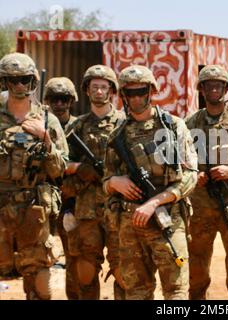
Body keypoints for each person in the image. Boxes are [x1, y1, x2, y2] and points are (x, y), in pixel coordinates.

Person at [103, 65, 197, 299]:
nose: (135, 98)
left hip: (168, 220)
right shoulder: (118, 135)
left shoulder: (174, 127)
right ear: (123, 95)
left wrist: (154, 202)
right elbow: (105, 180)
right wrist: (115, 182)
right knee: (136, 291)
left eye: (141, 91)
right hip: (131, 223)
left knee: (176, 291)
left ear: (151, 91)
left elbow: (190, 176)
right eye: (130, 93)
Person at [0, 52, 68, 299]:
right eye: (13, 80)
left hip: (33, 209)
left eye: (25, 80)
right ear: (4, 81)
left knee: (40, 282)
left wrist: (45, 138)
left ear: (33, 82)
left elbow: (60, 168)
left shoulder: (47, 119)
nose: (20, 86)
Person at [186, 65, 228, 300]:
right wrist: (195, 175)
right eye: (208, 85)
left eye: (218, 85)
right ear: (202, 90)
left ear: (226, 89)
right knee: (196, 267)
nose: (214, 89)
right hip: (200, 207)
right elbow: (179, 161)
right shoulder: (190, 123)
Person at [64, 65, 126, 299]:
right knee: (85, 271)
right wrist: (80, 168)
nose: (99, 91)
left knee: (123, 270)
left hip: (119, 209)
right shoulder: (76, 126)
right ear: (87, 91)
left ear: (111, 91)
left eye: (103, 87)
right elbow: (59, 164)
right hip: (86, 211)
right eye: (94, 87)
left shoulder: (124, 123)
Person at [43, 76, 79, 299]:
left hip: (70, 202)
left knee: (74, 257)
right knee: (39, 257)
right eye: (54, 99)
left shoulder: (79, 126)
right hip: (43, 200)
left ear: (71, 101)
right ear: (47, 100)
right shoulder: (38, 124)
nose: (59, 104)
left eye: (63, 99)